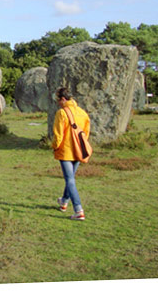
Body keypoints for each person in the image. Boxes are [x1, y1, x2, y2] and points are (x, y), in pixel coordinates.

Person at [50, 87, 90, 221]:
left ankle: (78, 210)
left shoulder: (61, 113)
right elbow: (85, 133)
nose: (57, 102)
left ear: (63, 99)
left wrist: (55, 147)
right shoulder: (82, 113)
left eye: (57, 100)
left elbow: (58, 135)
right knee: (70, 178)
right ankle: (64, 202)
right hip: (79, 150)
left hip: (66, 151)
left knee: (70, 180)